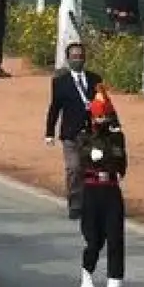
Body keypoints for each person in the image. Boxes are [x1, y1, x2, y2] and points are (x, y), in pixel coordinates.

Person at [75, 86, 127, 287]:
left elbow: (120, 165)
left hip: (111, 191)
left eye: (105, 115)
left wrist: (104, 153)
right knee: (94, 242)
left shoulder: (117, 138)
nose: (102, 120)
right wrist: (99, 154)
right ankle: (86, 278)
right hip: (92, 192)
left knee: (116, 242)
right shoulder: (84, 137)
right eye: (99, 116)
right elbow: (85, 160)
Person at [45, 42, 104, 220]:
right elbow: (54, 108)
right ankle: (76, 205)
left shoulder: (95, 79)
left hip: (93, 133)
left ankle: (94, 204)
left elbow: (104, 104)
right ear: (68, 59)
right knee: (74, 168)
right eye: (74, 57)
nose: (77, 60)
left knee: (93, 168)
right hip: (70, 133)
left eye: (80, 56)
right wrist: (49, 132)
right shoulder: (60, 82)